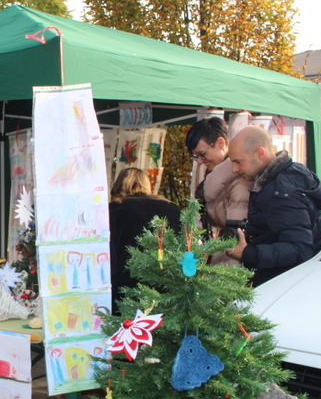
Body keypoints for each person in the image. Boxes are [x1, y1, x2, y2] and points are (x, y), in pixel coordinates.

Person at [224, 126, 321, 286]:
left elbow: (300, 249)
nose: (234, 169)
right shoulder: (279, 180)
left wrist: (247, 253)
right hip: (282, 280)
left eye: (238, 162)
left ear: (260, 153)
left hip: (283, 283)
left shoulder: (281, 191)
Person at [107, 168, 182, 309]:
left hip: (124, 283)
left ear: (118, 185)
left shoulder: (113, 209)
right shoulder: (171, 208)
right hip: (163, 281)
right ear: (147, 185)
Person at [185, 117, 251, 265]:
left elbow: (235, 240)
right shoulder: (216, 180)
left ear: (221, 143)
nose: (200, 161)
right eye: (196, 157)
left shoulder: (240, 181)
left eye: (202, 154)